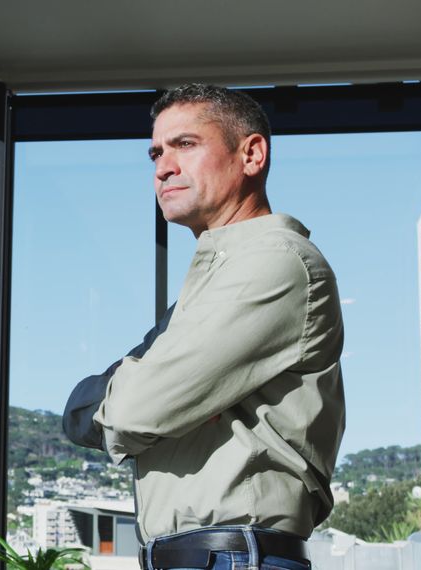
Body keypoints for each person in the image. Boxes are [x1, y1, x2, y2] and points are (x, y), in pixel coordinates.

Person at [63, 84, 345, 570]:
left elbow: (134, 409)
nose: (162, 167)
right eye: (156, 152)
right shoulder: (217, 276)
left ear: (251, 154)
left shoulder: (275, 262)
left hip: (236, 556)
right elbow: (119, 407)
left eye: (186, 145)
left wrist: (133, 394)